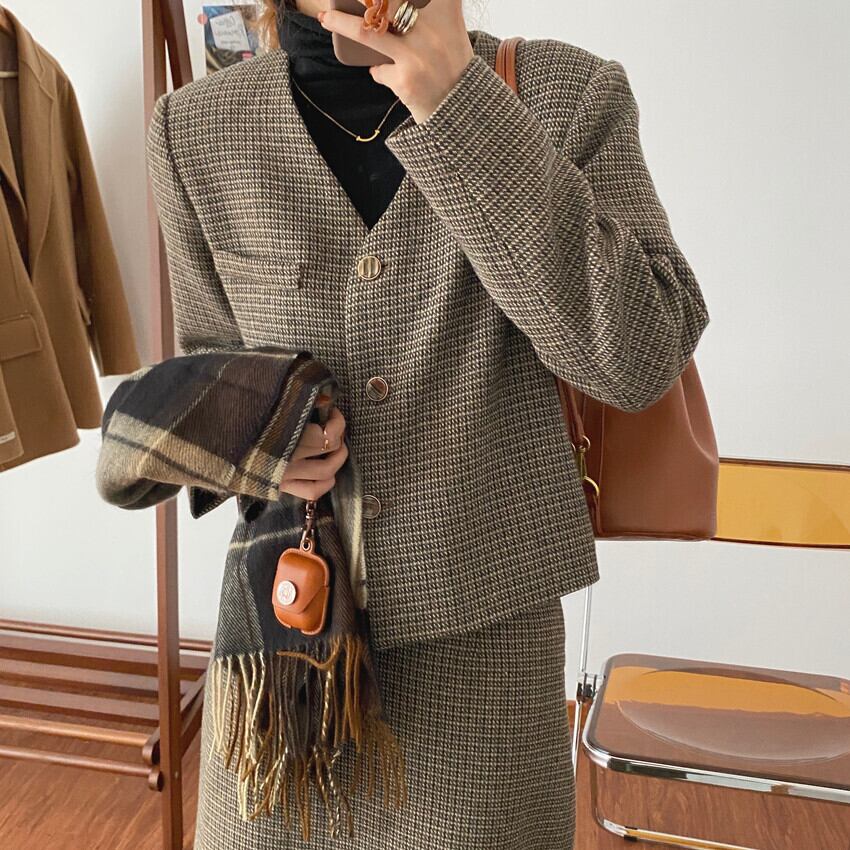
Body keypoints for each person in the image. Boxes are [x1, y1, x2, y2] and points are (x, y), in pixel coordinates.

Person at [145, 1, 711, 847]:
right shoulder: (193, 128)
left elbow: (638, 354)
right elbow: (208, 369)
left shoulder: (563, 94)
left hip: (484, 674)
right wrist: (258, 441)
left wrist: (460, 106)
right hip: (280, 660)